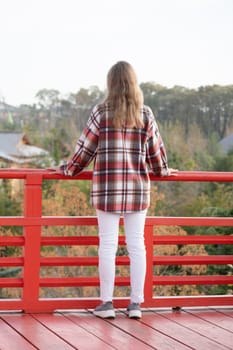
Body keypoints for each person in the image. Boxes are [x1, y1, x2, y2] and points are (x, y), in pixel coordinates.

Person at [50, 61, 177, 319]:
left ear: (110, 83)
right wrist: (163, 170)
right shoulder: (145, 113)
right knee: (136, 246)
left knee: (107, 245)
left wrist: (67, 169)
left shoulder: (101, 112)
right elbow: (156, 153)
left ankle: (107, 304)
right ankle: (135, 305)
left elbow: (84, 151)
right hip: (137, 189)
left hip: (107, 189)